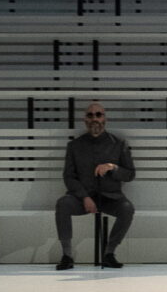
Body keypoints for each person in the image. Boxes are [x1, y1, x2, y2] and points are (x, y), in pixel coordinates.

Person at [55, 101, 136, 270]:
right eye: (90, 115)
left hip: (110, 198)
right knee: (63, 204)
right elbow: (68, 176)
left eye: (98, 115)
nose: (94, 119)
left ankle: (109, 253)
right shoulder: (74, 146)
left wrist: (113, 167)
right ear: (85, 120)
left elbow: (130, 174)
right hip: (82, 199)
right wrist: (84, 197)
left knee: (127, 209)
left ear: (105, 119)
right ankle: (67, 255)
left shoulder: (119, 144)